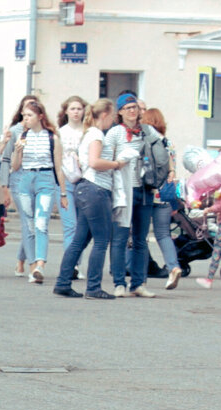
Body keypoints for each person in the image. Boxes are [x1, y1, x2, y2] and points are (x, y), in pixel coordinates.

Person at [52, 98, 127, 299]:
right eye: (112, 116)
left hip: (84, 189)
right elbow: (94, 162)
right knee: (101, 240)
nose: (113, 120)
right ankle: (93, 287)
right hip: (96, 189)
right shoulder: (96, 134)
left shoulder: (87, 133)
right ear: (105, 115)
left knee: (80, 240)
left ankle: (63, 282)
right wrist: (117, 163)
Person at [10, 99, 68, 283]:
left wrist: (64, 193)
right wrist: (18, 151)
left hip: (45, 179)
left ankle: (41, 264)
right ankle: (33, 265)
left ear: (40, 116)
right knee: (28, 225)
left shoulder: (52, 138)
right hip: (26, 180)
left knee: (41, 223)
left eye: (29, 115)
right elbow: (15, 166)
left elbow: (59, 167)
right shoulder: (22, 137)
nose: (25, 119)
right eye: (24, 116)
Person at [105, 92, 156, 297]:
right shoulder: (115, 133)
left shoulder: (148, 131)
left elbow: (162, 152)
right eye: (128, 108)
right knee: (119, 237)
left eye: (135, 107)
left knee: (141, 239)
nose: (133, 111)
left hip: (144, 189)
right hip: (122, 191)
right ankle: (119, 282)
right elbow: (107, 159)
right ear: (120, 112)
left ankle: (138, 283)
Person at [136, 108, 184, 289]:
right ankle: (174, 267)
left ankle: (139, 277)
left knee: (140, 236)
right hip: (165, 193)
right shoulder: (168, 143)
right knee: (164, 234)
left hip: (148, 192)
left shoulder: (145, 141)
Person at [0, 94, 40, 277]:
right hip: (18, 180)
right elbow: (6, 159)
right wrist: (4, 186)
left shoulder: (41, 132)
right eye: (26, 110)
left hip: (37, 180)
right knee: (28, 220)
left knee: (33, 222)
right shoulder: (15, 131)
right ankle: (33, 263)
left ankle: (21, 259)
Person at [58, 96, 87, 276]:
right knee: (71, 225)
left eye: (79, 108)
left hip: (84, 181)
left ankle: (77, 262)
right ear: (66, 111)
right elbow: (57, 161)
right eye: (73, 108)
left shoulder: (88, 131)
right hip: (65, 181)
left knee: (82, 226)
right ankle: (71, 265)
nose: (76, 112)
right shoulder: (60, 132)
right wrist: (61, 189)